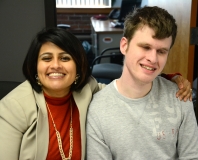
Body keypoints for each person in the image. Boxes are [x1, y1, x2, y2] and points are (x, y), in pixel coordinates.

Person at [0, 28, 192, 160]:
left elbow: (126, 88)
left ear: (78, 66)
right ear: (35, 66)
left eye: (65, 58)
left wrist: (170, 78)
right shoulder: (13, 107)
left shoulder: (87, 90)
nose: (56, 65)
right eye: (46, 58)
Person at [86, 6, 198, 160]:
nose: (153, 59)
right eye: (145, 47)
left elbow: (191, 156)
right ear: (124, 45)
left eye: (161, 51)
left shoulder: (180, 97)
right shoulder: (98, 109)